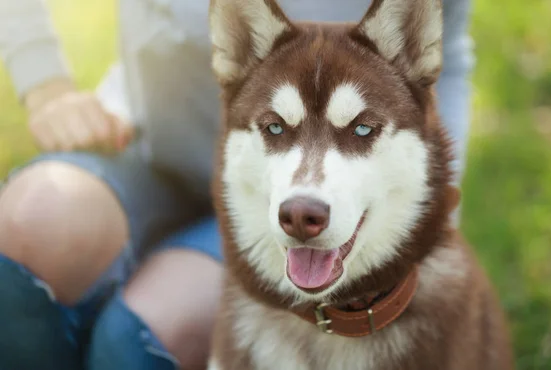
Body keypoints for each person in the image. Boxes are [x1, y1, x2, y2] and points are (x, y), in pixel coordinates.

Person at [0, 0, 474, 369]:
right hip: (135, 137)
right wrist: (46, 85)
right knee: (23, 229)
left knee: (134, 341)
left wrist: (432, 212)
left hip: (273, 196)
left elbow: (443, 52)